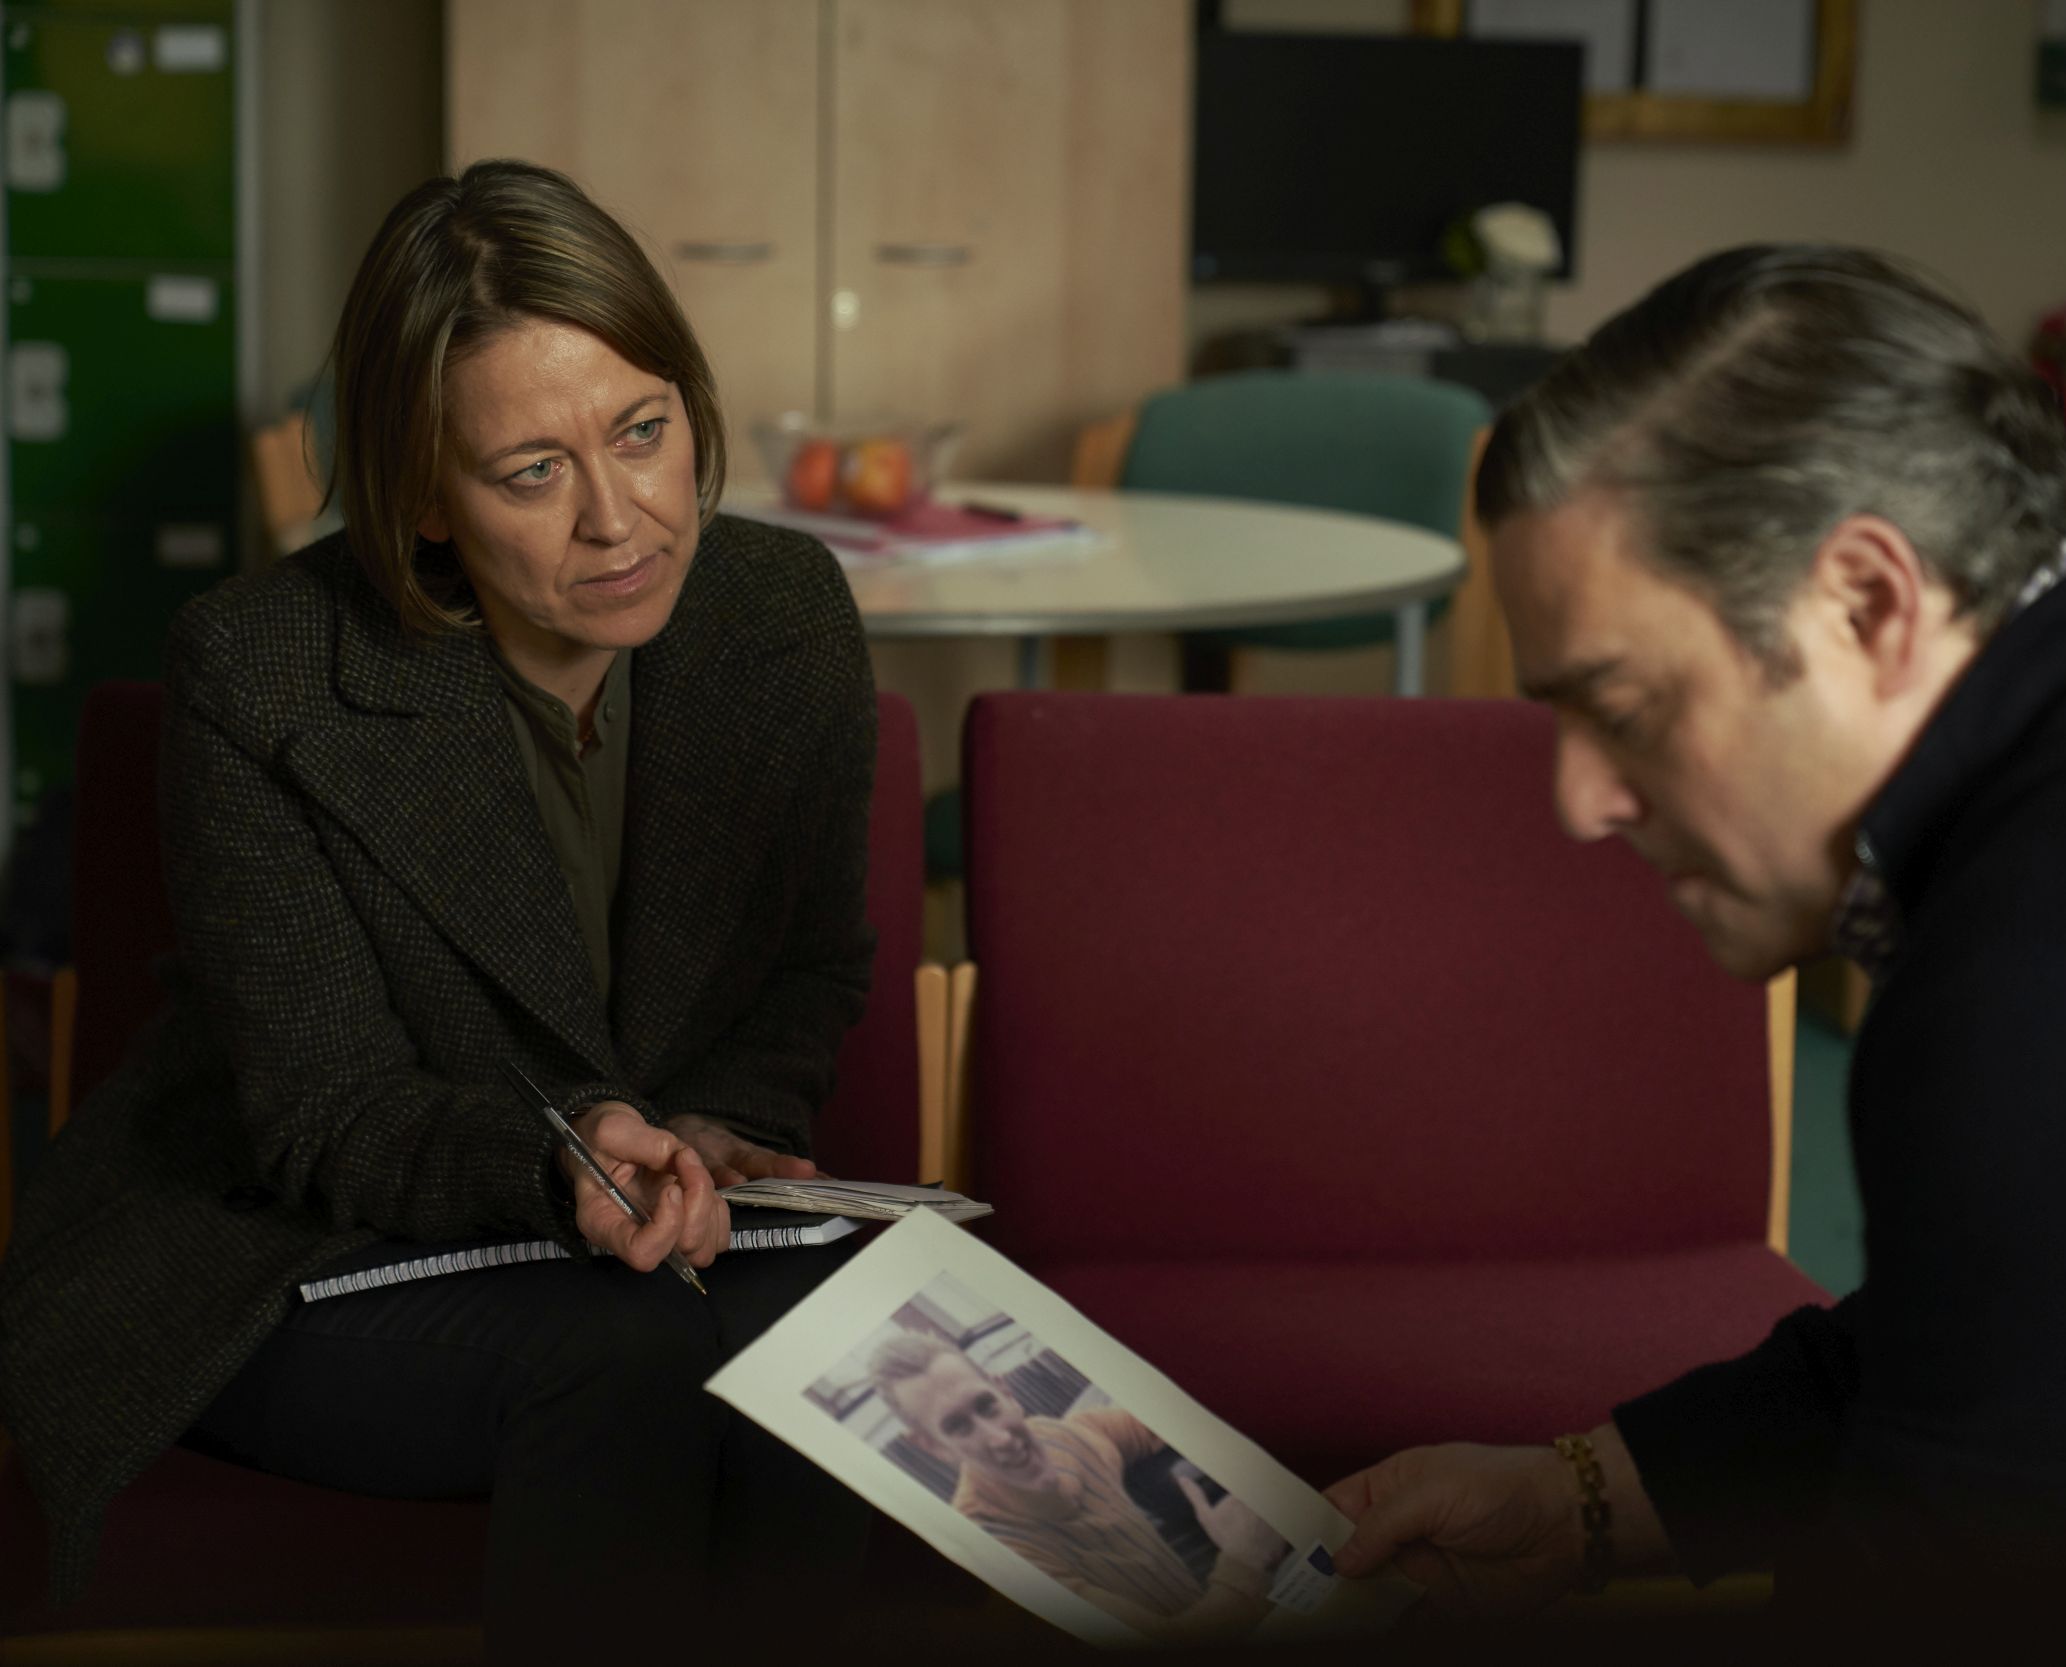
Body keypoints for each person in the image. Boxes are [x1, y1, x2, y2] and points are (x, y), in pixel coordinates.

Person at [1323, 246, 2066, 1654]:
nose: (1581, 801)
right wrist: (1580, 1497)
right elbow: (2005, 1325)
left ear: (1870, 602)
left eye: (1623, 704)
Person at [0, 161, 881, 1653]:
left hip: (642, 1226)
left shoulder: (783, 614)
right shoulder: (262, 669)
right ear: (420, 496)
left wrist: (721, 1121)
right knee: (625, 1357)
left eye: (642, 432)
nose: (619, 517)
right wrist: (562, 1153)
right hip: (284, 1240)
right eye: (531, 470)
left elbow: (808, 965)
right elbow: (323, 1106)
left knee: (858, 1318)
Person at [867, 1333, 1289, 1640]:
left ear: (1004, 1390)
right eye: (958, 1426)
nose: (998, 1439)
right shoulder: (991, 1545)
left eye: (986, 1405)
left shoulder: (1067, 1435)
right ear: (930, 1446)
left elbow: (1174, 1419)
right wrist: (1244, 1560)